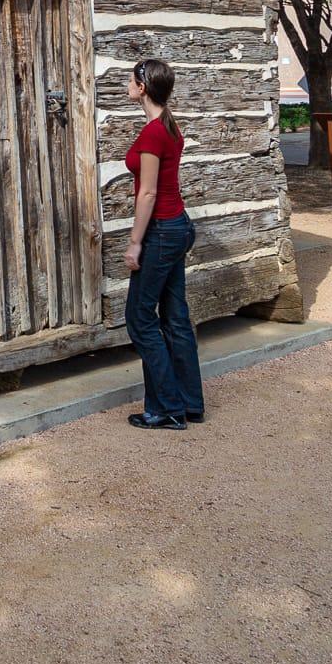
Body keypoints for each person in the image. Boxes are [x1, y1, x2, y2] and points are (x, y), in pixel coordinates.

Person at [121, 58, 203, 430]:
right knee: (175, 318)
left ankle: (167, 407)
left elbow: (149, 193)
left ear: (142, 86)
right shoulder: (167, 127)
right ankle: (189, 403)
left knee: (139, 319)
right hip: (177, 227)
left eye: (130, 78)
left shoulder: (155, 132)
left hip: (162, 231)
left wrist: (135, 242)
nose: (126, 83)